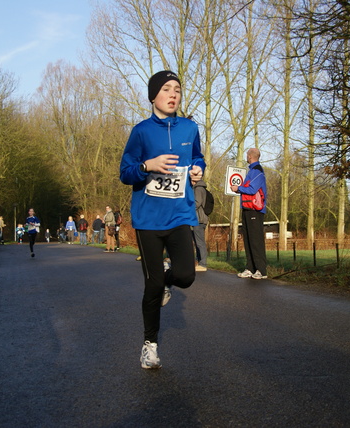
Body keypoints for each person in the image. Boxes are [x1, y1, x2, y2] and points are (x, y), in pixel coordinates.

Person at [120, 70, 205, 369]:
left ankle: (168, 280)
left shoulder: (189, 128)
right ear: (153, 95)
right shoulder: (141, 131)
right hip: (148, 219)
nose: (173, 94)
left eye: (178, 90)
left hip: (180, 213)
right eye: (167, 89)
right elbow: (125, 173)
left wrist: (197, 169)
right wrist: (147, 165)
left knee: (186, 276)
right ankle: (150, 345)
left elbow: (198, 157)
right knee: (152, 285)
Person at [230, 147, 268, 280]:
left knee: (256, 240)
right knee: (248, 240)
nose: (246, 156)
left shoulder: (257, 171)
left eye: (247, 154)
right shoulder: (251, 171)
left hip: (255, 210)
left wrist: (238, 188)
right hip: (247, 209)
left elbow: (252, 189)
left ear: (251, 156)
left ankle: (261, 270)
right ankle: (251, 268)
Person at [193, 179, 209, 271]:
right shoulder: (200, 188)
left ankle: (203, 264)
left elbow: (197, 203)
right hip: (200, 218)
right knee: (198, 241)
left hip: (199, 219)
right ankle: (199, 262)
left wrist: (186, 208)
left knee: (200, 242)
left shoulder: (198, 188)